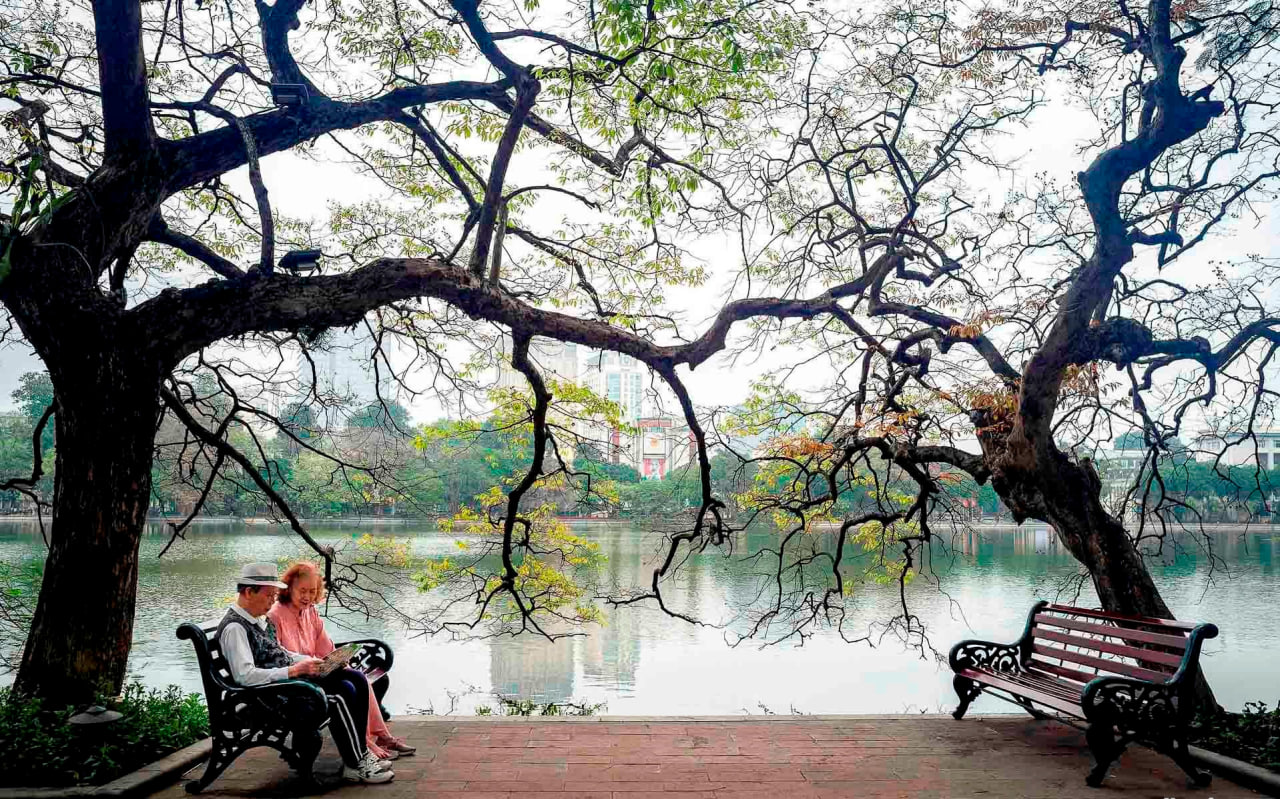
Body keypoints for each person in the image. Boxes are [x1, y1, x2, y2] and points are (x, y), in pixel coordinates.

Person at [217, 563, 394, 785]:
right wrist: (293, 671)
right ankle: (356, 762)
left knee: (354, 678)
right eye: (269, 595)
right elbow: (245, 676)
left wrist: (311, 662)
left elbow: (279, 652)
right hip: (272, 697)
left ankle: (360, 755)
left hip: (289, 685)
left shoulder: (254, 620)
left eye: (274, 595)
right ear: (248, 592)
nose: (273, 600)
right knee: (339, 695)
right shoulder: (235, 628)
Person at [269, 561, 416, 760]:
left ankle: (380, 736)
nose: (307, 597)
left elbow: (324, 646)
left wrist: (338, 660)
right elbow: (279, 656)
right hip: (298, 679)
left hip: (318, 671)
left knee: (357, 676)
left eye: (312, 591)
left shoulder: (310, 611)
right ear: (289, 588)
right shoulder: (275, 614)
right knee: (350, 684)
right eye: (302, 591)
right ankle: (364, 742)